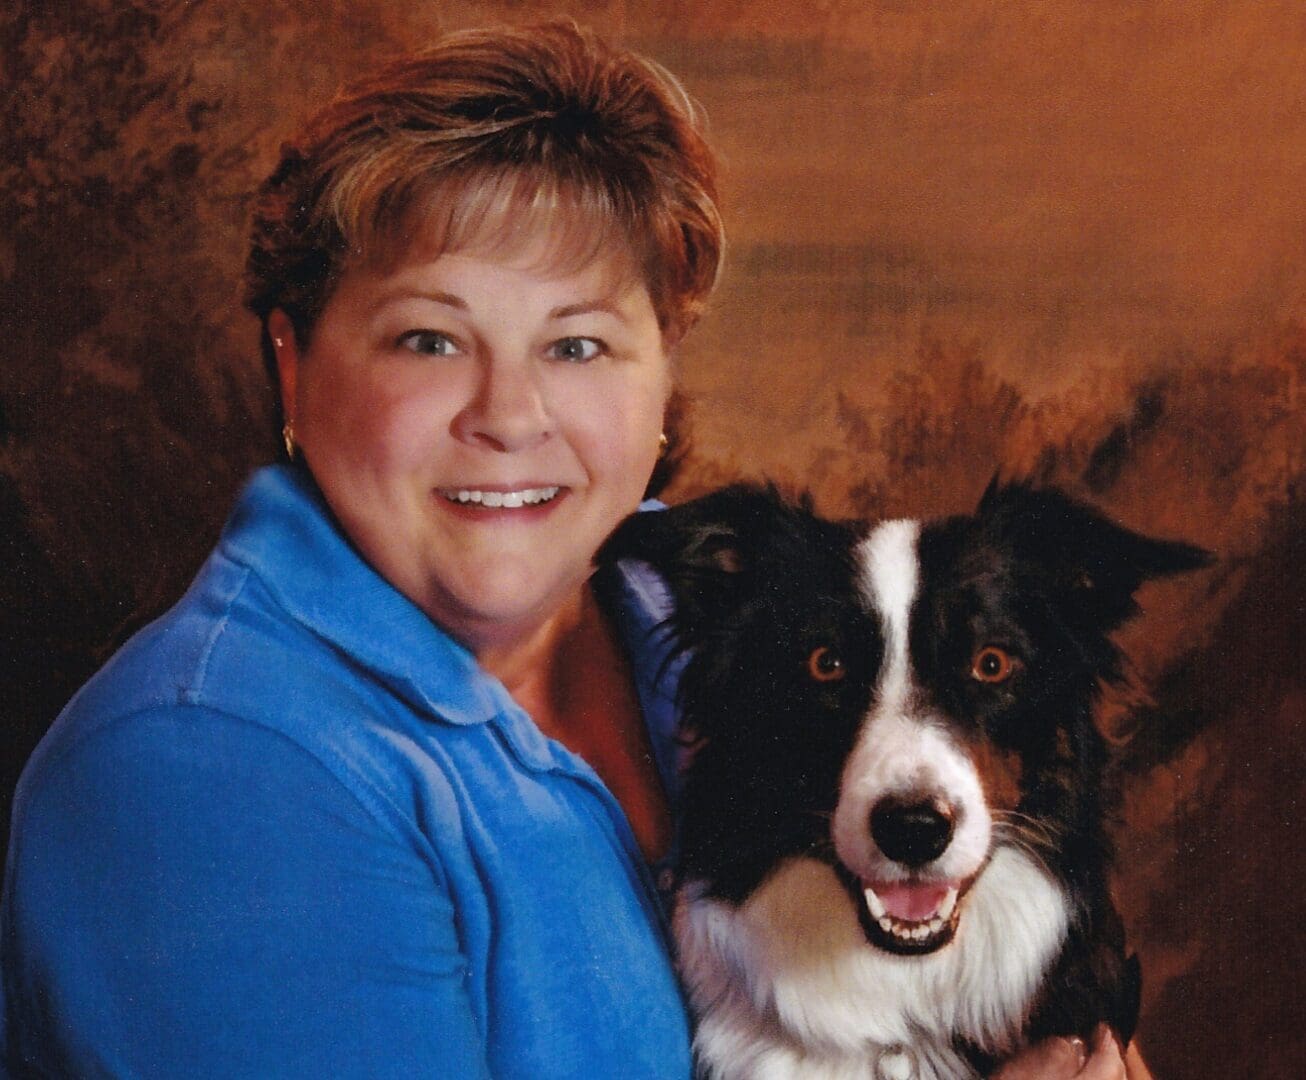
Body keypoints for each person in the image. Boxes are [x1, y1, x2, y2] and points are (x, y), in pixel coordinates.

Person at [0, 20, 1147, 1078]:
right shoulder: (203, 770)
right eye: (430, 337)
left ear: (664, 375)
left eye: (580, 345)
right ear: (294, 364)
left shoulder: (714, 601)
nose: (508, 415)